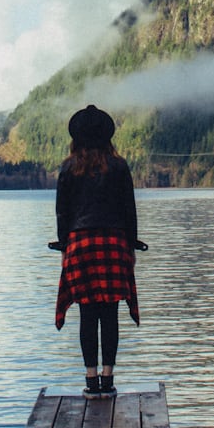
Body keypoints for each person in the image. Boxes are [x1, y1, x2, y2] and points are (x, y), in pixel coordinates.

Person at [54, 105, 140, 399]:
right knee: (110, 313)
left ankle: (90, 381)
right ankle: (108, 379)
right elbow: (129, 210)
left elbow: (62, 214)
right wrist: (131, 245)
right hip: (114, 243)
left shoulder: (68, 167)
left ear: (76, 136)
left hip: (80, 245)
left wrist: (65, 248)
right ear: (107, 136)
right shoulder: (118, 166)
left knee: (87, 313)